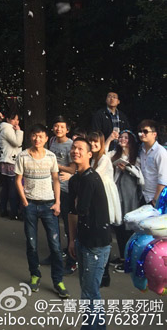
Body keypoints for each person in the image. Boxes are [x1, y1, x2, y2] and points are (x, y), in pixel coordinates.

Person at [15, 123, 69, 298]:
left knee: (55, 245)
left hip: (48, 205)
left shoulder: (51, 157)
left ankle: (58, 280)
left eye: (41, 136)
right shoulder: (23, 156)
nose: (37, 139)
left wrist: (58, 202)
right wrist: (24, 201)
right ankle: (35, 275)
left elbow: (56, 179)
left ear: (46, 138)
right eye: (34, 136)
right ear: (30, 137)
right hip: (30, 205)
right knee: (31, 243)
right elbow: (18, 180)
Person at [68, 137, 112, 329]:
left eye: (80, 149)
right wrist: (72, 240)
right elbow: (72, 212)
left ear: (89, 154)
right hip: (82, 241)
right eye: (73, 148)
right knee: (87, 291)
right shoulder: (75, 180)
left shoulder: (91, 179)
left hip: (97, 244)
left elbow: (81, 208)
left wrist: (77, 206)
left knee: (90, 292)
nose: (75, 151)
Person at [46, 116, 76, 274]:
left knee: (68, 228)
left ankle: (72, 261)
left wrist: (53, 165)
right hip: (51, 188)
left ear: (67, 130)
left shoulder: (71, 145)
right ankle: (55, 255)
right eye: (56, 126)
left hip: (65, 190)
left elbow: (72, 169)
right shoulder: (52, 141)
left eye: (62, 127)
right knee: (53, 226)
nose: (58, 129)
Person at [110, 130, 143, 271]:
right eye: (121, 137)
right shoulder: (114, 154)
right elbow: (103, 155)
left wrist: (128, 168)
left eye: (126, 138)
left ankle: (129, 260)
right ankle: (123, 256)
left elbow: (141, 178)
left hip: (130, 194)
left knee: (128, 227)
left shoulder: (136, 157)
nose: (123, 140)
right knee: (118, 226)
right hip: (117, 192)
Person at [0, 109, 23, 219]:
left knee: (6, 187)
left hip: (5, 160)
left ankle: (3, 208)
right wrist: (19, 131)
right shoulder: (8, 129)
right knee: (13, 187)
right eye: (13, 119)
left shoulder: (3, 128)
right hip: (10, 161)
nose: (16, 122)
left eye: (17, 119)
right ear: (8, 119)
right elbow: (17, 143)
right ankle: (13, 212)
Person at [137, 119, 167, 205]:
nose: (142, 134)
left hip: (156, 198)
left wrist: (155, 200)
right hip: (143, 196)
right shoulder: (141, 150)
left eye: (145, 131)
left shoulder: (160, 152)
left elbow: (163, 179)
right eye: (140, 131)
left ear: (154, 134)